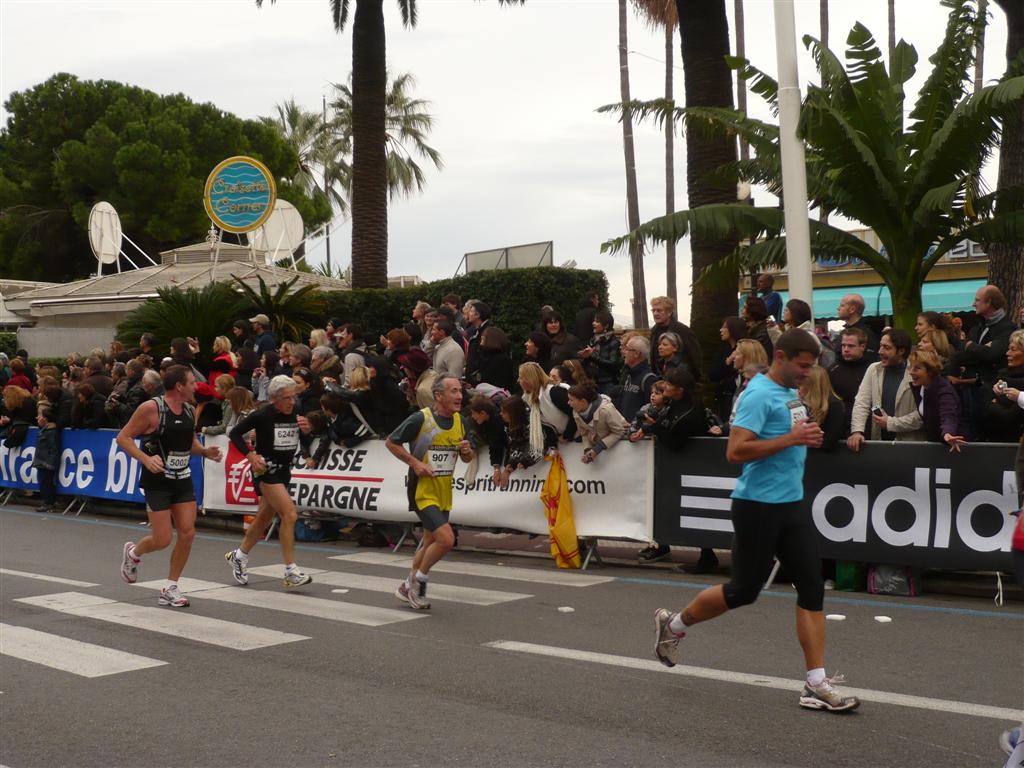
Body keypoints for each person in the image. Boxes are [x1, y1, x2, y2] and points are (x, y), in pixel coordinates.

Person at [652, 330, 860, 713]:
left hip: (792, 505)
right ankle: (675, 624)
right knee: (743, 591)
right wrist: (791, 440)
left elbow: (792, 437)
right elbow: (736, 451)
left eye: (811, 367)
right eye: (801, 366)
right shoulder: (758, 395)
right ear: (780, 357)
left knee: (812, 588)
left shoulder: (788, 394)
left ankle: (815, 682)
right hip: (757, 506)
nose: (806, 374)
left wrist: (805, 438)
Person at [117, 365, 223, 608]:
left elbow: (190, 444)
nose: (196, 386)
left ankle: (171, 586)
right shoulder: (151, 409)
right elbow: (123, 437)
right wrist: (146, 458)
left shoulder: (188, 409)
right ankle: (134, 553)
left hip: (182, 478)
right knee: (162, 539)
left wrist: (205, 452)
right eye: (191, 382)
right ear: (179, 386)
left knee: (188, 532)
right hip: (157, 482)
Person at [386, 376, 475, 610]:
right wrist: (415, 463)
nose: (459, 396)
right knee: (446, 539)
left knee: (429, 543)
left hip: (444, 491)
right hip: (422, 491)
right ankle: (419, 584)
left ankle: (406, 586)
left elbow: (467, 457)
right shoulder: (421, 419)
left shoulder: (461, 421)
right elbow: (391, 442)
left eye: (460, 391)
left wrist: (466, 452)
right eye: (453, 391)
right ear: (438, 396)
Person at [224, 375, 315, 589]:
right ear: (274, 398)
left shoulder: (293, 411)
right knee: (289, 514)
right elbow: (235, 434)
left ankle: (239, 555)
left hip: (284, 471)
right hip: (266, 471)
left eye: (294, 397)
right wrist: (250, 456)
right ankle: (290, 571)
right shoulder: (262, 415)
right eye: (286, 398)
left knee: (264, 518)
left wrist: (307, 430)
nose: (292, 402)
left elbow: (299, 439)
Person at [951, 285, 1018, 439]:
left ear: (989, 303)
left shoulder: (1008, 328)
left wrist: (971, 347)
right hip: (973, 395)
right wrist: (978, 350)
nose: (973, 304)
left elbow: (992, 354)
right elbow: (960, 356)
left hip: (994, 396)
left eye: (977, 300)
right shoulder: (977, 328)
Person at [847, 329, 924, 451]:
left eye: (886, 348)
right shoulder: (873, 369)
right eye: (880, 346)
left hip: (911, 447)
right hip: (880, 444)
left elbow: (922, 415)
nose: (880, 351)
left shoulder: (916, 372)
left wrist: (891, 423)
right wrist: (857, 431)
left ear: (901, 351)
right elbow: (862, 402)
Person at [906, 349, 966, 451]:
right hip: (935, 445)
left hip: (953, 447)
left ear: (929, 371)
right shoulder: (922, 386)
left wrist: (948, 433)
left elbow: (948, 415)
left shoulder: (944, 391)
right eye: (910, 367)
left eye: (917, 368)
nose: (911, 372)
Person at [518, 362, 575, 453]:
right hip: (568, 441)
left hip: (582, 436)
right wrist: (552, 444)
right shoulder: (530, 399)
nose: (518, 381)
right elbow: (546, 423)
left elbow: (576, 412)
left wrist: (567, 435)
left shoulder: (553, 392)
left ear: (529, 379)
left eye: (520, 377)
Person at [566, 383, 628, 465]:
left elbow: (619, 431)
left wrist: (598, 448)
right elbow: (584, 433)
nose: (568, 403)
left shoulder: (605, 410)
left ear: (583, 401)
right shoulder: (576, 411)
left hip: (621, 451)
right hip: (603, 451)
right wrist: (588, 450)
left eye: (571, 400)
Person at [827, 328, 874, 437]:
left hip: (869, 429)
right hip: (841, 431)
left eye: (851, 346)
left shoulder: (873, 369)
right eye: (843, 345)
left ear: (862, 347)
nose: (846, 349)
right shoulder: (832, 370)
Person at [649, 296, 702, 378]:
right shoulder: (654, 331)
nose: (655, 313)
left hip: (679, 378)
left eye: (659, 310)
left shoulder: (683, 330)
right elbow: (653, 357)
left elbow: (694, 356)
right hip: (659, 378)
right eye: (653, 310)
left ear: (669, 312)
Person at [709, 317, 747, 425]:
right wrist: (728, 361)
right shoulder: (723, 351)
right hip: (723, 399)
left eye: (724, 327)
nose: (721, 330)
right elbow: (712, 374)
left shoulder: (745, 349)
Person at [799, 366, 845, 452]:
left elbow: (830, 441)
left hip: (825, 459)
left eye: (801, 384)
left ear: (811, 386)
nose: (798, 389)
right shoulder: (800, 404)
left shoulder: (834, 406)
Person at [615, 336, 656, 422]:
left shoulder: (649, 379)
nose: (624, 353)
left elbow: (651, 410)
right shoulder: (629, 374)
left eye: (627, 349)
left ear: (636, 354)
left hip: (637, 432)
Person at [33, 404, 60, 513]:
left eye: (40, 416)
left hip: (46, 462)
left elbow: (54, 448)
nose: (37, 418)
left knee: (47, 483)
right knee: (42, 482)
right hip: (41, 460)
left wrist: (50, 462)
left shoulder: (51, 431)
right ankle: (46, 502)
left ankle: (49, 503)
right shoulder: (44, 430)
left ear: (45, 418)